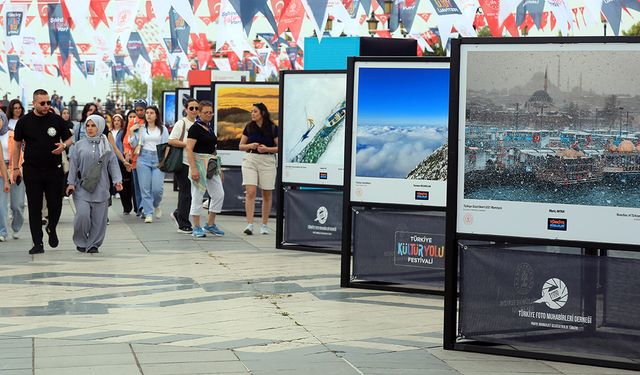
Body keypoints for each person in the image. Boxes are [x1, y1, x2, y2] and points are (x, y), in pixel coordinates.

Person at [12, 89, 72, 254]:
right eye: (42, 103)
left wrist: (64, 146)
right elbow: (17, 145)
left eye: (48, 103)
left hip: (54, 170)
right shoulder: (24, 122)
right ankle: (37, 243)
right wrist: (16, 168)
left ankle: (51, 227)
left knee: (56, 204)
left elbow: (69, 138)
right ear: (34, 103)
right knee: (34, 206)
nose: (46, 106)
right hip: (32, 170)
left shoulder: (56, 119)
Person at [66, 115, 122, 253]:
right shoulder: (78, 145)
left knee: (99, 220)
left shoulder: (106, 146)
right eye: (88, 126)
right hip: (82, 188)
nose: (90, 129)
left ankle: (93, 244)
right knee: (82, 215)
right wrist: (71, 183)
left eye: (93, 126)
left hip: (101, 188)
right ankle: (80, 240)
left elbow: (113, 164)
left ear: (100, 127)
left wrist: (117, 180)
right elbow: (73, 166)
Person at [185, 101, 225, 238]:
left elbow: (212, 149)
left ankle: (210, 223)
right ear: (199, 113)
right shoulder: (195, 128)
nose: (209, 115)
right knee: (197, 194)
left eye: (210, 112)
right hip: (199, 163)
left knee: (219, 194)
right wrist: (194, 168)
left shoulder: (209, 128)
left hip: (211, 164)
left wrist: (219, 169)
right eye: (205, 112)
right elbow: (189, 148)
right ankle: (196, 226)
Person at [238, 103, 278, 235]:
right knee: (251, 191)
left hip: (268, 161)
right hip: (250, 160)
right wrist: (251, 145)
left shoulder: (273, 128)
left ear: (263, 113)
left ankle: (264, 224)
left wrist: (267, 149)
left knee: (267, 193)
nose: (252, 114)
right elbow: (241, 146)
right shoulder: (249, 127)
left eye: (255, 111)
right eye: (251, 111)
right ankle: (249, 224)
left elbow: (280, 147)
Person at [128, 106, 168, 223]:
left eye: (151, 113)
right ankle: (148, 212)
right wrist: (131, 131)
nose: (149, 115)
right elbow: (134, 145)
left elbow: (166, 146)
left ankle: (156, 204)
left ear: (156, 115)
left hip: (158, 159)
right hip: (143, 159)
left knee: (157, 189)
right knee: (145, 188)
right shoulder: (141, 129)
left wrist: (164, 160)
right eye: (147, 113)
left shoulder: (163, 129)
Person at [168, 98, 199, 234]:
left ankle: (178, 213)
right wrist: (187, 144)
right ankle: (183, 223)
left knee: (191, 193)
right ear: (186, 109)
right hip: (182, 162)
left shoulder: (199, 124)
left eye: (196, 108)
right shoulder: (182, 123)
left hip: (195, 162)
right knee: (186, 192)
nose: (194, 111)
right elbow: (171, 140)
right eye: (191, 108)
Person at [4, 99, 26, 238]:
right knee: (3, 203)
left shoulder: (25, 123)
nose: (17, 110)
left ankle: (16, 226)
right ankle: (3, 229)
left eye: (19, 107)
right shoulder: (5, 124)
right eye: (15, 107)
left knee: (17, 204)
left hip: (20, 165)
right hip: (5, 165)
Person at [112, 113, 134, 214]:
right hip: (112, 161)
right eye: (115, 120)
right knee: (119, 183)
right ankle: (125, 206)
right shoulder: (110, 132)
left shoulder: (123, 132)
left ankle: (128, 206)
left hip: (122, 160)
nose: (116, 122)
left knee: (126, 183)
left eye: (118, 120)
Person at [0, 112, 15, 241]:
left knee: (4, 204)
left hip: (8, 168)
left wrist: (6, 179)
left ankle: (3, 231)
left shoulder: (11, 135)